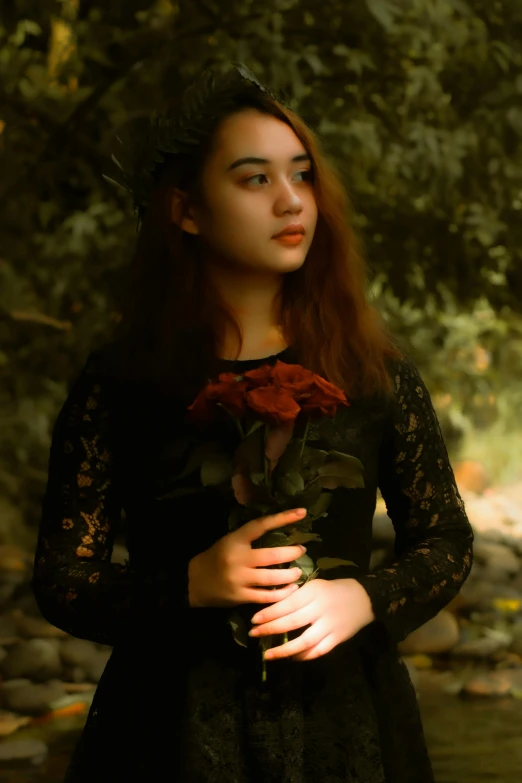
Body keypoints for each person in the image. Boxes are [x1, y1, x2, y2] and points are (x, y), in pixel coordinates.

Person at [31, 62, 474, 782]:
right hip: (168, 729)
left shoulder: (371, 371)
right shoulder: (124, 382)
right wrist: (185, 587)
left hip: (345, 724)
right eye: (254, 178)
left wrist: (361, 597)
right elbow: (60, 576)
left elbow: (446, 539)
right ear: (186, 210)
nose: (291, 201)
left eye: (300, 175)